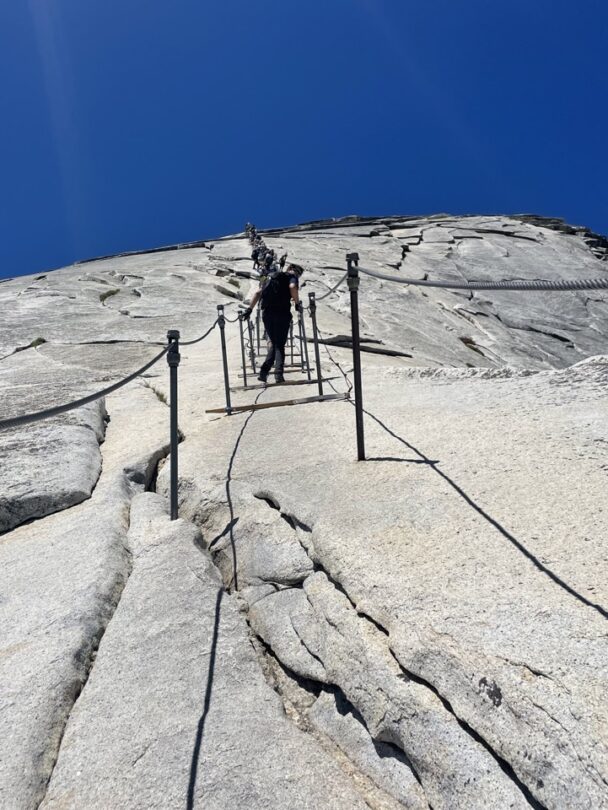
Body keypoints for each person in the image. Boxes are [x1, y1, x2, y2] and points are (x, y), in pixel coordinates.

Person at [243, 264, 303, 383]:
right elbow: (292, 287)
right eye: (299, 274)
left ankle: (264, 373)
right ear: (294, 271)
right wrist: (297, 303)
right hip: (282, 314)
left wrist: (249, 309)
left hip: (267, 314)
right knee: (279, 345)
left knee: (275, 343)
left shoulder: (271, 277)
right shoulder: (291, 277)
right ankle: (278, 374)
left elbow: (258, 293)